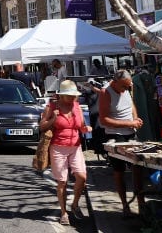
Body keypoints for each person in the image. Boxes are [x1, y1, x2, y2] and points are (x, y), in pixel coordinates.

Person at [39, 80, 92, 225]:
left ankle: (74, 204)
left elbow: (81, 126)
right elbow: (42, 126)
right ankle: (63, 213)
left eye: (74, 95)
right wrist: (54, 118)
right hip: (58, 147)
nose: (72, 98)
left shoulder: (76, 106)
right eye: (69, 95)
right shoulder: (52, 106)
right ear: (61, 95)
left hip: (75, 146)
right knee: (62, 182)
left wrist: (86, 129)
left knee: (82, 176)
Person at [99, 69, 144, 216]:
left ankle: (141, 204)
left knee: (138, 167)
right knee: (119, 171)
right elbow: (104, 120)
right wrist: (129, 123)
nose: (126, 89)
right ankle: (125, 206)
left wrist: (135, 119)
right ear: (115, 82)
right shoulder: (105, 92)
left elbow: (131, 105)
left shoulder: (126, 87)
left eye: (128, 86)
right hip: (115, 135)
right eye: (124, 86)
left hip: (131, 133)